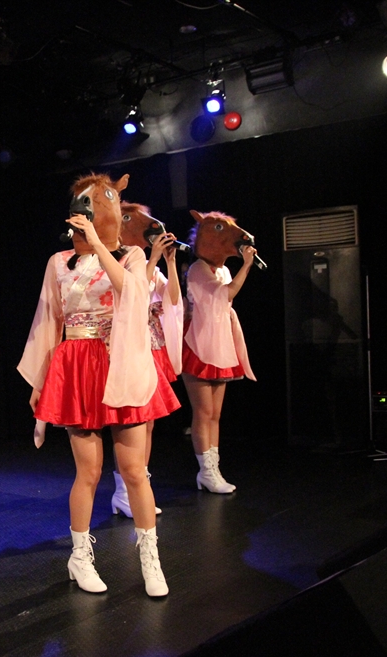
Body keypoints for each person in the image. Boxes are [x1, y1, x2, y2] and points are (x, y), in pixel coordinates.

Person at [19, 173, 171, 598]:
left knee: (135, 470)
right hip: (77, 366)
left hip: (120, 361)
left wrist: (101, 246)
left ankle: (150, 559)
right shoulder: (58, 262)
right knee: (87, 471)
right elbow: (48, 321)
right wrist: (40, 380)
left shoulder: (133, 256)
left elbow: (130, 293)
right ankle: (80, 557)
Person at [180, 210, 257, 494]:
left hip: (219, 341)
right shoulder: (198, 269)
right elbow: (225, 295)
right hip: (198, 342)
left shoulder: (222, 270)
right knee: (203, 411)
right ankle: (206, 470)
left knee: (215, 413)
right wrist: (246, 266)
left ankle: (213, 468)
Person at [111, 223, 183, 518]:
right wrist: (152, 258)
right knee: (130, 420)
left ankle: (139, 485)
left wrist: (170, 262)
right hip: (132, 344)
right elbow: (136, 295)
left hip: (153, 344)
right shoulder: (127, 263)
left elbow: (174, 298)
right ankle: (123, 491)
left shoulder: (155, 269)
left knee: (148, 423)